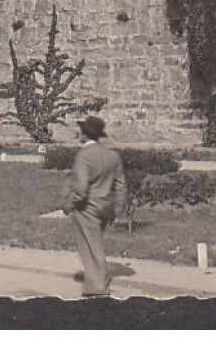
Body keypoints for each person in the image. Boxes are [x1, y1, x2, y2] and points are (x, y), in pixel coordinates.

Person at [65, 114, 125, 297]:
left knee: (91, 246)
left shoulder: (84, 156)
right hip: (105, 206)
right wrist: (118, 209)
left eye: (81, 131)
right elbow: (120, 185)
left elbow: (81, 188)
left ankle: (98, 287)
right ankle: (94, 283)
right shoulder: (112, 155)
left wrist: (70, 203)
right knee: (94, 243)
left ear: (85, 135)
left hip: (87, 207)